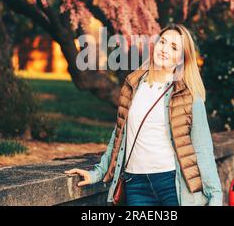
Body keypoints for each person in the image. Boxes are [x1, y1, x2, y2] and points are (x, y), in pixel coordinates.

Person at [65, 23, 223, 206]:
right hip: (136, 184)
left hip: (171, 184)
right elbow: (119, 136)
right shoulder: (132, 85)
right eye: (162, 42)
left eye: (173, 47)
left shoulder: (188, 96)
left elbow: (203, 150)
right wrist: (97, 173)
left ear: (181, 58)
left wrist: (215, 196)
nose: (164, 49)